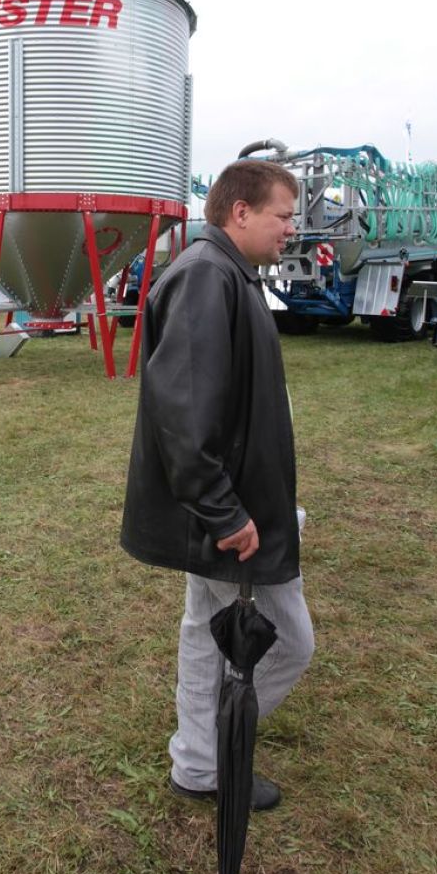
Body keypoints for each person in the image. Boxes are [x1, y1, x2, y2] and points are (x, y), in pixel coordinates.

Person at [121, 158, 315, 812]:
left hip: (233, 504)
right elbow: (183, 412)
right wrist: (227, 514)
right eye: (283, 215)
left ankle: (198, 764)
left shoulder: (228, 273)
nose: (291, 228)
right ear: (240, 212)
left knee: (203, 627)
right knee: (288, 640)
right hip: (227, 516)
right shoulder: (208, 277)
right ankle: (220, 745)